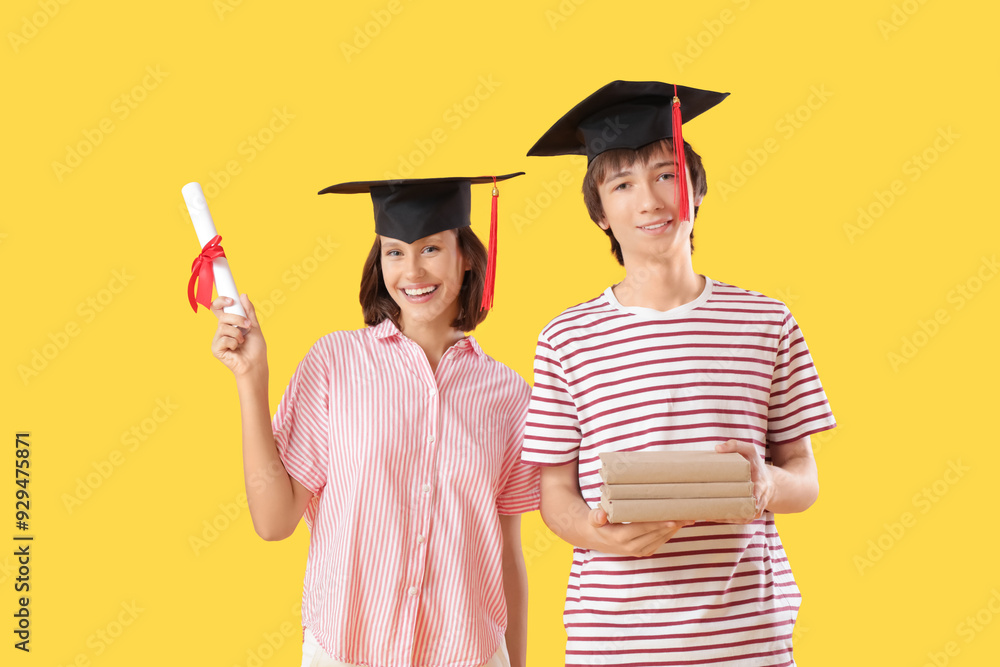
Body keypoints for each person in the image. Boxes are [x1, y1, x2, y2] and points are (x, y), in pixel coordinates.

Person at [520, 81, 837, 665]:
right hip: (614, 639)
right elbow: (555, 493)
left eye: (666, 174)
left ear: (695, 187)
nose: (649, 201)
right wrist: (594, 533)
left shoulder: (766, 321)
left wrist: (765, 484)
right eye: (622, 185)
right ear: (600, 215)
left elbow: (805, 480)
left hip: (747, 636)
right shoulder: (565, 338)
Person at [209, 173, 539, 667]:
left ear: (465, 257)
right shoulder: (334, 364)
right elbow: (274, 521)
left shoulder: (508, 395)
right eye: (395, 252)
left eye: (430, 249)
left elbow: (506, 555)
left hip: (469, 655)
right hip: (345, 651)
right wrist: (251, 380)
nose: (412, 271)